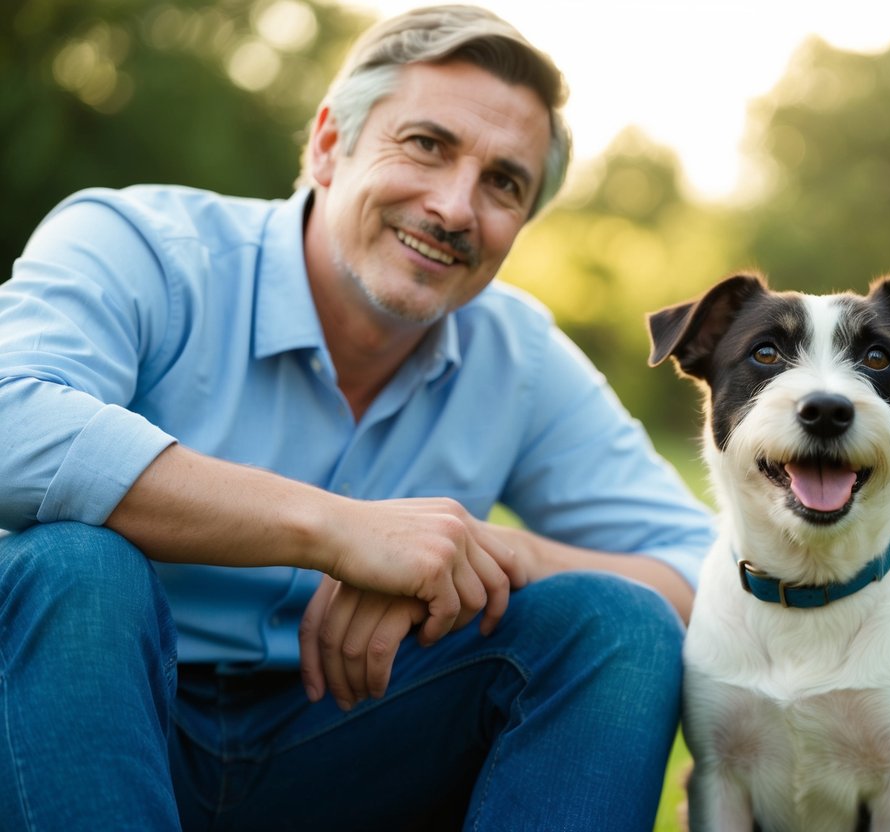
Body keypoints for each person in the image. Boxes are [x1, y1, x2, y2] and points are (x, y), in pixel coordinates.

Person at [0, 5, 714, 830]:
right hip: (86, 725)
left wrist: (488, 554)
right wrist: (335, 530)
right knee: (73, 566)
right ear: (329, 144)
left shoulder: (518, 356)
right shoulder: (142, 245)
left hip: (344, 740)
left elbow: (706, 568)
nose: (454, 207)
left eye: (503, 183)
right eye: (426, 145)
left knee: (617, 623)